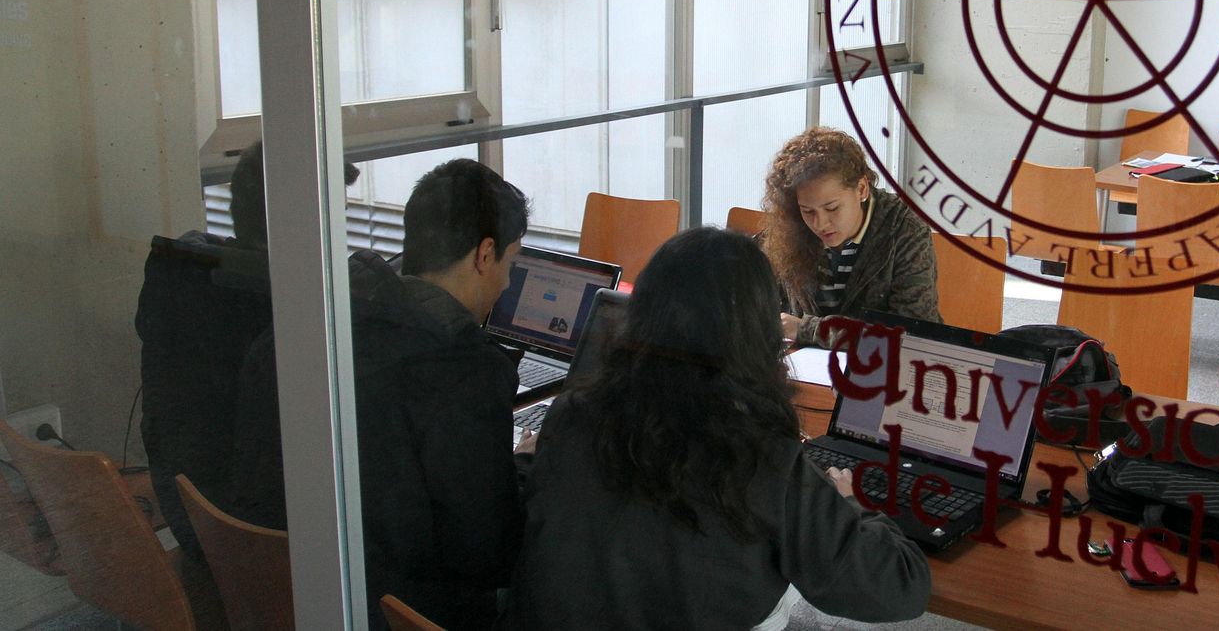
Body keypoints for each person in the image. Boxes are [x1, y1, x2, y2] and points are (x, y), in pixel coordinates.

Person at [497, 227, 930, 629]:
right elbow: (899, 589)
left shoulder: (573, 413)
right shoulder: (760, 457)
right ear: (756, 335)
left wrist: (525, 460)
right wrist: (851, 504)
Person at [231, 158, 530, 630]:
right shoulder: (464, 372)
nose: (506, 283)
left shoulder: (307, 326)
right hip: (396, 612)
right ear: (484, 254)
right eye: (511, 263)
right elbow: (488, 555)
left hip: (290, 588)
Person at [136, 141, 357, 566]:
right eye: (335, 215)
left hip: (197, 524)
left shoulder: (185, 273)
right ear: (303, 224)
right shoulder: (291, 317)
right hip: (269, 557)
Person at [761, 127, 940, 347]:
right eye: (808, 211)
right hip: (808, 368)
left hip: (882, 370)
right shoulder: (791, 225)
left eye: (832, 208)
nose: (820, 224)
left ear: (862, 189)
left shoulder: (905, 230)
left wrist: (809, 330)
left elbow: (910, 335)